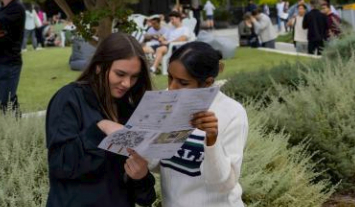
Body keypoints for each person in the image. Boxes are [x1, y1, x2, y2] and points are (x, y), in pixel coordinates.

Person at [46, 33, 156, 207]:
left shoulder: (130, 108)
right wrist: (101, 128)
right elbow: (60, 165)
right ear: (99, 66)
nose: (127, 83)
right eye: (120, 74)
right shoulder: (69, 98)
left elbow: (145, 198)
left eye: (134, 76)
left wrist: (141, 177)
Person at [158, 42, 248, 207]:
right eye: (170, 77)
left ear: (207, 82)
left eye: (183, 83)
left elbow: (224, 184)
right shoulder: (165, 102)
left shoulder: (232, 113)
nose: (172, 88)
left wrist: (212, 141)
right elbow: (157, 165)